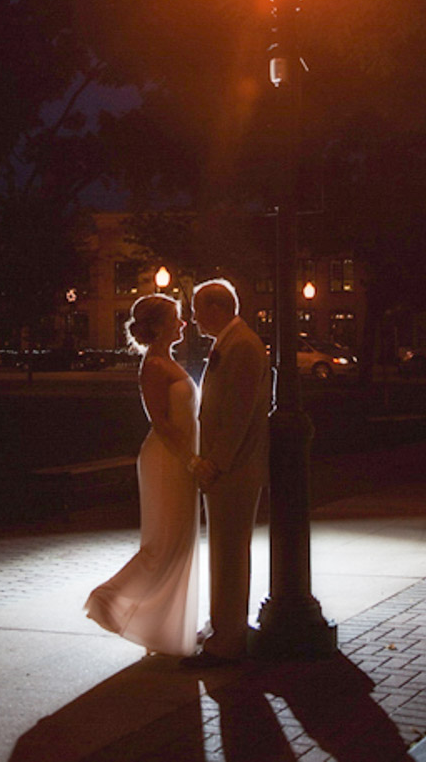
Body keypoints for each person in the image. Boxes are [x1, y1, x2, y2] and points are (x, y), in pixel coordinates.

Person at [85, 294, 200, 656]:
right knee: (164, 544)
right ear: (161, 325)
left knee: (180, 543)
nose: (183, 324)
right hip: (167, 461)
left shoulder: (168, 361)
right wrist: (190, 460)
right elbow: (161, 423)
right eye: (177, 318)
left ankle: (165, 626)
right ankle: (108, 599)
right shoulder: (153, 365)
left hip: (182, 459)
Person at [184, 278, 272, 667]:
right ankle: (225, 627)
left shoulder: (243, 346)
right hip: (230, 467)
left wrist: (214, 463)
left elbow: (238, 414)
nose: (193, 319)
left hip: (233, 469)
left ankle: (228, 640)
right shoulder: (231, 343)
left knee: (229, 554)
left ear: (217, 309)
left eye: (198, 311)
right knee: (225, 551)